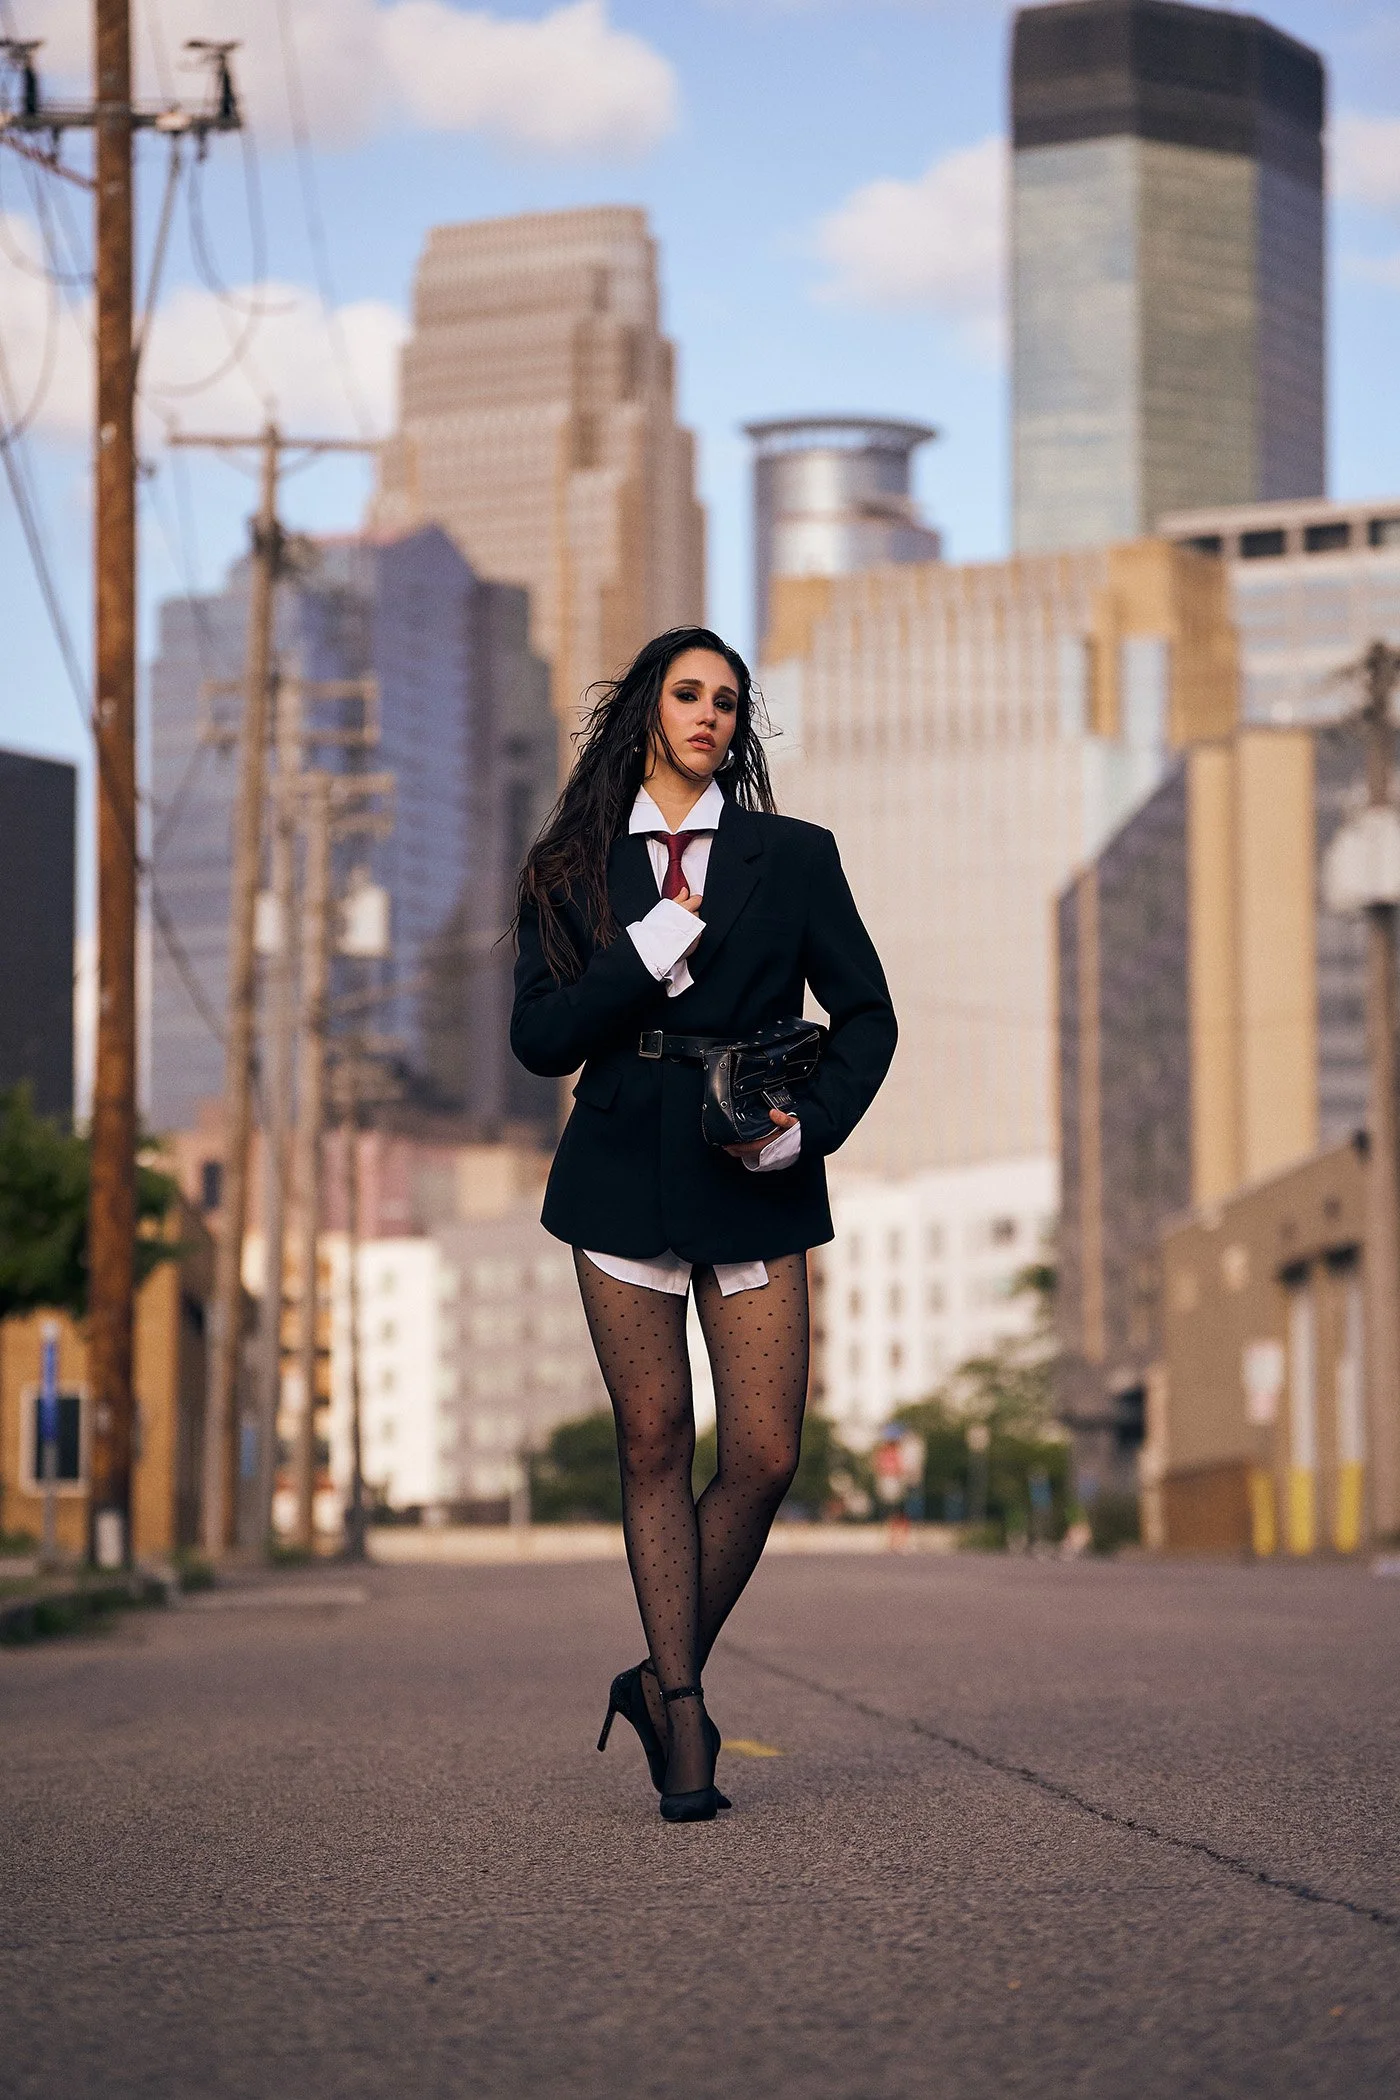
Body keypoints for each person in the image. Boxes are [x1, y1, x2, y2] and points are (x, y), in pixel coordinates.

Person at [511, 626, 896, 1822]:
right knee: (653, 1444)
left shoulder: (792, 857)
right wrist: (648, 946)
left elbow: (869, 1014)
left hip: (751, 1171)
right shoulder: (568, 868)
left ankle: (652, 1670)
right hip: (619, 1167)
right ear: (645, 711)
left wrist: (804, 1129)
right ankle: (681, 1707)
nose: (709, 715)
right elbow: (540, 1040)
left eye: (727, 702)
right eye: (687, 694)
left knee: (768, 1454)